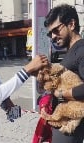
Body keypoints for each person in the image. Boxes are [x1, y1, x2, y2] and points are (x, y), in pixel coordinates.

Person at [44, 4, 84, 143]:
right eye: (50, 33)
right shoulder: (72, 50)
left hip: (70, 128)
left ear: (71, 24)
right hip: (64, 123)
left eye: (56, 30)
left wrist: (60, 94)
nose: (53, 36)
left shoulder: (81, 50)